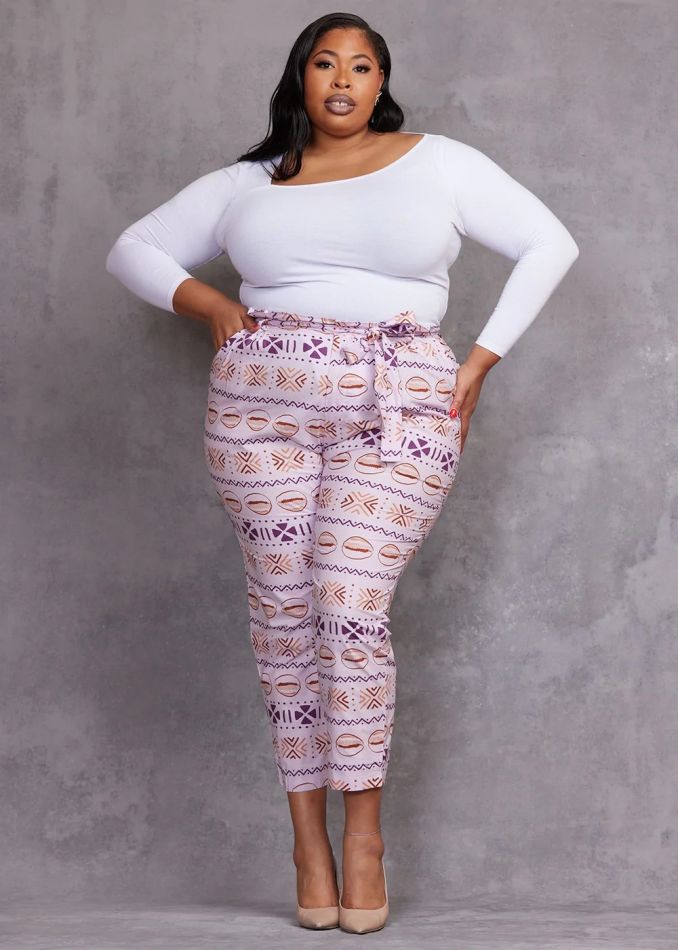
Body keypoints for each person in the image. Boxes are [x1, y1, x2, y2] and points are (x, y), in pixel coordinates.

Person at [105, 11, 579, 934]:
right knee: (284, 617)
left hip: (397, 401)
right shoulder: (251, 181)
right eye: (325, 62)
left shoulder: (437, 163)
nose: (343, 80)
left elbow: (549, 242)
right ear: (301, 77)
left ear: (381, 83)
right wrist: (211, 305)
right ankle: (305, 844)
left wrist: (480, 359)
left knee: (347, 600)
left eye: (362, 66)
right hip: (257, 411)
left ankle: (363, 836)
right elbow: (133, 248)